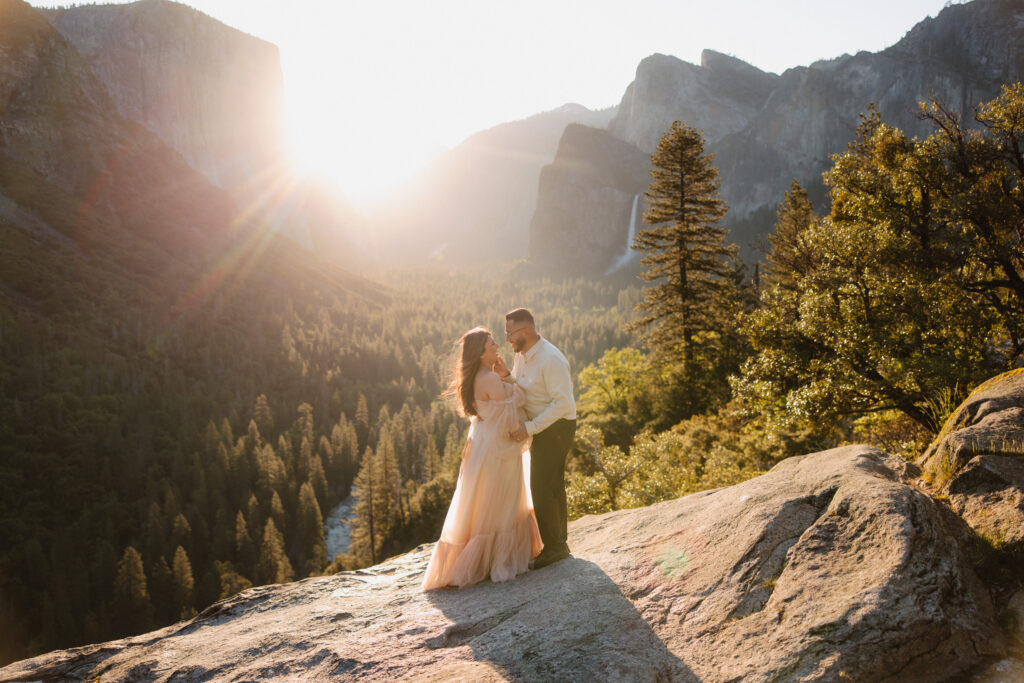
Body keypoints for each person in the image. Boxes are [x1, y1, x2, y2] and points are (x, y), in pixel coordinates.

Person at [421, 327, 543, 590]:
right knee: (502, 501)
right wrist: (509, 381)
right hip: (499, 448)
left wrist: (503, 377)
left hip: (485, 445)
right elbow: (515, 408)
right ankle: (498, 560)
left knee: (485, 500)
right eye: (491, 344)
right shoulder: (487, 378)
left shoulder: (481, 376)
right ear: (480, 352)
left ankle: (486, 558)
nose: (497, 345)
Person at [499, 308, 576, 569]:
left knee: (543, 485)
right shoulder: (522, 355)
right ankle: (558, 544)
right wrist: (506, 376)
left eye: (510, 333)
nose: (507, 338)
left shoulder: (551, 359)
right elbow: (523, 387)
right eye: (506, 333)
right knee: (550, 484)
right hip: (543, 425)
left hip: (557, 426)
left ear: (527, 331)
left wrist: (530, 427)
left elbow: (562, 404)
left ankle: (555, 548)